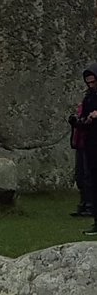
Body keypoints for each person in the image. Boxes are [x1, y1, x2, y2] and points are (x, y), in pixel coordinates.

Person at [77, 65, 97, 236]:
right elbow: (84, 117)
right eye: (88, 82)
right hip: (91, 144)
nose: (91, 85)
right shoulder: (89, 97)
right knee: (92, 180)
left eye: (93, 82)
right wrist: (82, 120)